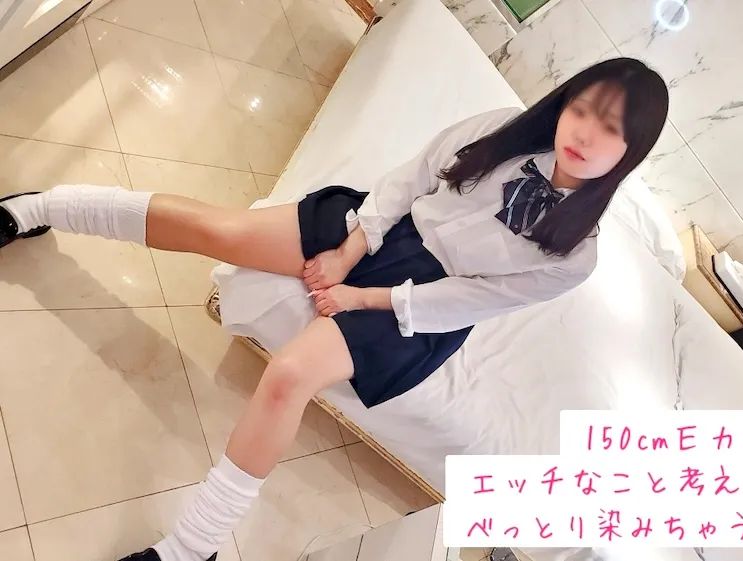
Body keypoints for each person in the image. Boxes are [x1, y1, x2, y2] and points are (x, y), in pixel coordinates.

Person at [0, 57, 669, 561]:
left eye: (609, 128)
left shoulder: (575, 256)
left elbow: (469, 298)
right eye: (582, 109)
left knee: (289, 376)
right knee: (216, 228)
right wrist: (350, 250)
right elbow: (410, 179)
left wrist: (358, 297)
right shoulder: (501, 129)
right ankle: (36, 207)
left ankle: (189, 549)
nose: (584, 133)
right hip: (380, 229)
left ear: (630, 150)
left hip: (417, 305)